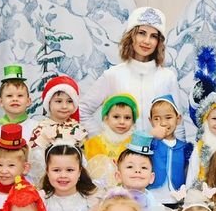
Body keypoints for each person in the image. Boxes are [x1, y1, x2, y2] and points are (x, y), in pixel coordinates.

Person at [79, 7, 186, 135]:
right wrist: (101, 140)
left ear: (158, 42)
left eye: (153, 36)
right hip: (121, 147)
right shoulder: (113, 75)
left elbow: (178, 125)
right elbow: (82, 110)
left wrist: (180, 147)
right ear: (131, 36)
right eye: (141, 33)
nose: (146, 41)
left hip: (158, 147)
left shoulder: (167, 77)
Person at [0, 65, 40, 180]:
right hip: (1, 180)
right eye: (9, 96)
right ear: (0, 102)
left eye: (20, 95)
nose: (14, 99)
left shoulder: (36, 127)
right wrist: (0, 172)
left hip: (28, 182)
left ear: (28, 101)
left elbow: (38, 159)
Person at [27, 75, 87, 180]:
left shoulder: (78, 129)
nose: (64, 106)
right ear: (48, 103)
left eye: (69, 101)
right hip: (48, 179)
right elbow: (34, 158)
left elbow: (84, 157)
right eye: (58, 101)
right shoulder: (41, 129)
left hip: (73, 179)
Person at [41, 141, 99, 211]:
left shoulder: (90, 200)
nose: (63, 175)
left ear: (79, 172)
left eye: (70, 170)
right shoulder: (42, 200)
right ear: (47, 171)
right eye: (56, 170)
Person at [146, 95, 192, 204]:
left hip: (177, 199)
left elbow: (189, 172)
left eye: (168, 117)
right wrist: (150, 135)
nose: (163, 123)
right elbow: (135, 148)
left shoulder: (184, 147)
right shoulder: (150, 143)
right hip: (153, 197)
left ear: (178, 119)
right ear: (150, 121)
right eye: (156, 119)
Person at [83, 93, 137, 163]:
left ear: (133, 121)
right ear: (106, 119)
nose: (122, 122)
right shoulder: (94, 143)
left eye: (127, 118)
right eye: (116, 117)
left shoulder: (136, 143)